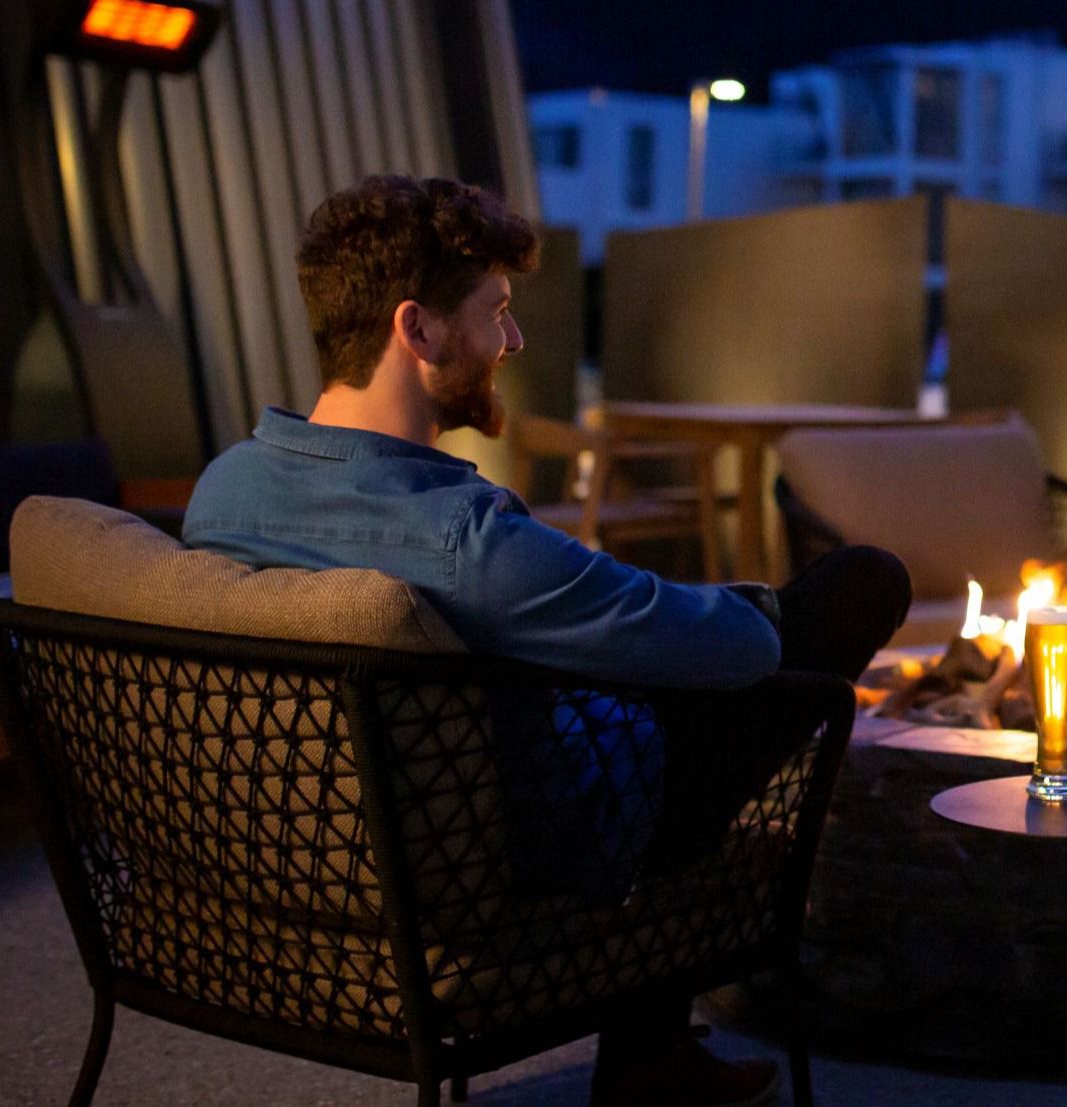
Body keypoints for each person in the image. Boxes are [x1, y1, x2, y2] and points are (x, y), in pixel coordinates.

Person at [186, 175, 908, 1107]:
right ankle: (649, 1059)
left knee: (639, 658)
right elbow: (739, 652)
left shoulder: (224, 491)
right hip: (529, 841)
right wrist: (734, 608)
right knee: (859, 584)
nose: (514, 340)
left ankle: (651, 1056)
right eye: (496, 312)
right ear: (417, 329)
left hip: (308, 859)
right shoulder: (464, 541)